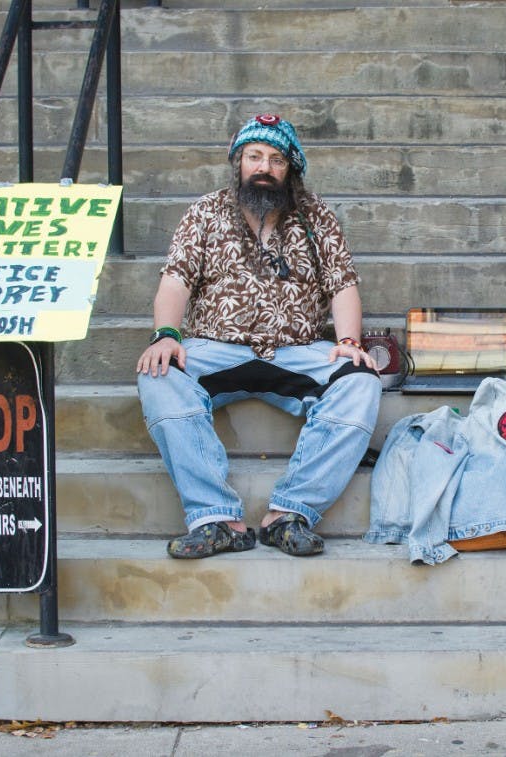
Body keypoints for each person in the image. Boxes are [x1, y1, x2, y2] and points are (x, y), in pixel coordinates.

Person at [136, 114, 382, 559]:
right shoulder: (206, 212)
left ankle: (290, 514)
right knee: (158, 374)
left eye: (275, 159)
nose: (263, 167)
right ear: (238, 162)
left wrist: (348, 342)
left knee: (361, 383)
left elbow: (342, 284)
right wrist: (167, 334)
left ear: (291, 169)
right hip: (215, 350)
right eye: (254, 157)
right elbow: (176, 280)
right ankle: (216, 518)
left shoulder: (316, 216)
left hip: (298, 351)